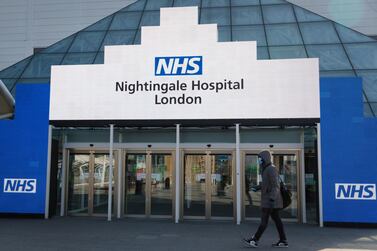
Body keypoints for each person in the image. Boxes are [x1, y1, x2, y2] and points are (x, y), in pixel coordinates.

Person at [243, 150, 288, 248]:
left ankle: (255, 240)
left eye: (260, 159)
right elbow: (267, 183)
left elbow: (276, 186)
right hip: (271, 201)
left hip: (270, 201)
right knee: (277, 221)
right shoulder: (267, 168)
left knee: (264, 222)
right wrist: (258, 187)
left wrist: (271, 199)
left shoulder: (271, 169)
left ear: (264, 159)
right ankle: (283, 240)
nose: (259, 160)